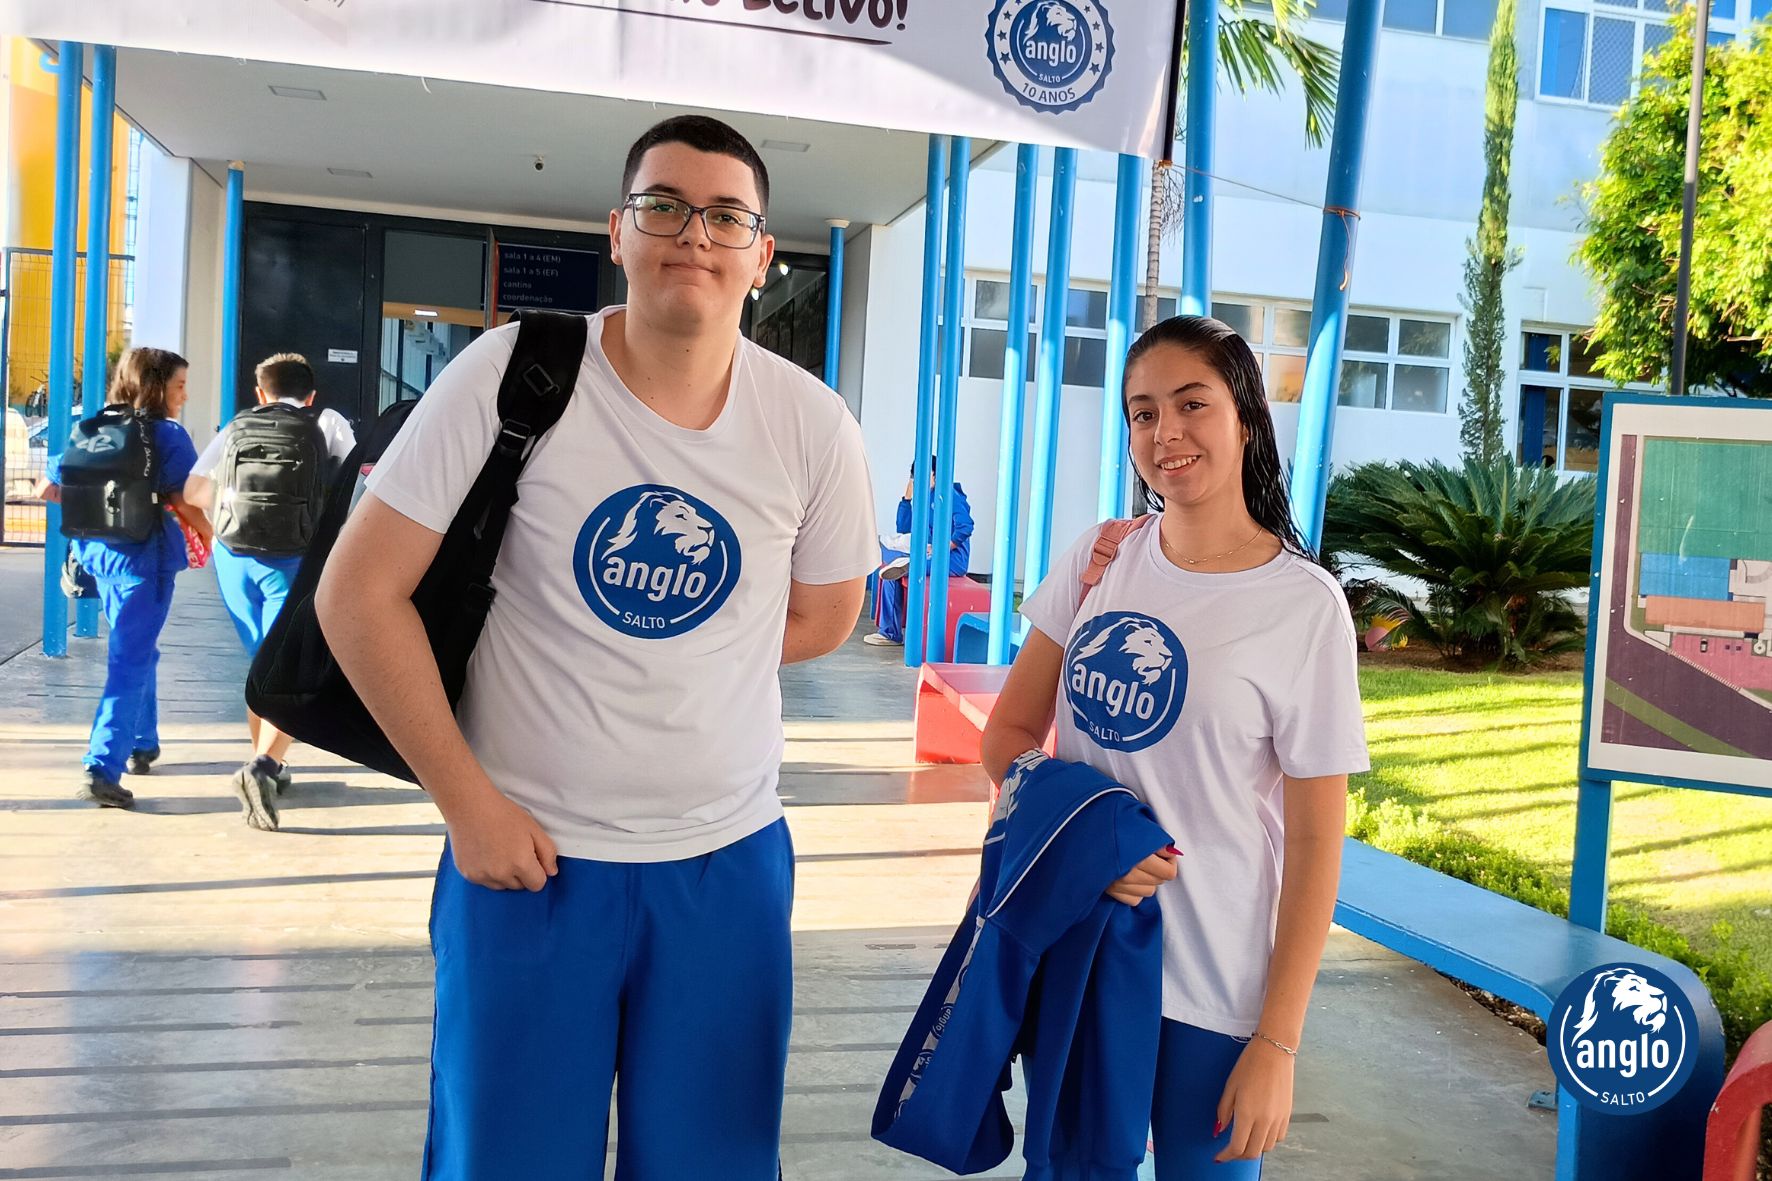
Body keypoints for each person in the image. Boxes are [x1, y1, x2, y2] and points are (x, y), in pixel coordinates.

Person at [314, 115, 877, 1179]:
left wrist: (686, 660)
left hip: (723, 865)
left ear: (762, 255)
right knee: (507, 1159)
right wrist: (466, 803)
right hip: (528, 860)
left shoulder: (812, 424)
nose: (693, 234)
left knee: (712, 1161)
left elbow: (823, 614)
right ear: (617, 232)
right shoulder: (512, 372)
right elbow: (358, 594)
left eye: (726, 216)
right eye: (663, 205)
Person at [980, 316, 1369, 1179]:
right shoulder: (1100, 560)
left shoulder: (1303, 605)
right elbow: (1006, 737)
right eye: (1144, 412)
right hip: (1080, 955)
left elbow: (1315, 841)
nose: (1167, 432)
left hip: (1215, 989)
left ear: (1247, 419)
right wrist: (1089, 843)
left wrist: (1278, 1040)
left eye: (1193, 404)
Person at [183, 352, 356, 830]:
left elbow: (193, 490)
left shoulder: (239, 424)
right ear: (311, 394)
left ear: (261, 392)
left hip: (234, 556)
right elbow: (358, 484)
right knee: (290, 666)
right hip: (296, 558)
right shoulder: (327, 422)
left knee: (263, 664)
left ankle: (269, 762)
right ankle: (264, 765)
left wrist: (227, 521)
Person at [39, 348, 210, 808]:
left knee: (137, 649)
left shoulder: (95, 428)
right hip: (145, 564)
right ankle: (102, 766)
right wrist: (215, 535)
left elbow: (48, 486)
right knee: (128, 662)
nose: (184, 395)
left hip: (100, 559)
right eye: (179, 386)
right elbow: (185, 499)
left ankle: (142, 742)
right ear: (155, 387)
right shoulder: (168, 435)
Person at [863, 462, 974, 646]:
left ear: (936, 474)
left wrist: (942, 548)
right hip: (929, 553)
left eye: (924, 473)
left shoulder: (949, 495)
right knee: (888, 562)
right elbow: (904, 529)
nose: (919, 479)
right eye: (916, 475)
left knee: (895, 570)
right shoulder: (926, 497)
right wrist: (907, 499)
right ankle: (889, 630)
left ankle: (890, 633)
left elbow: (966, 526)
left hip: (951, 560)